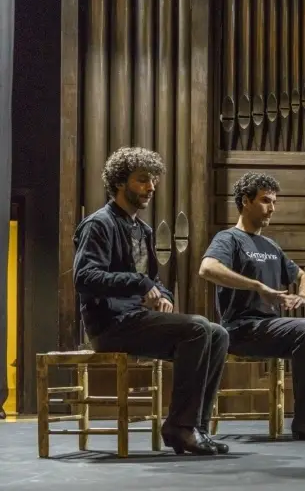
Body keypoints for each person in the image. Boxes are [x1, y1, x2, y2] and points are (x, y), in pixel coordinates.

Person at [73, 147, 227, 456]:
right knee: (197, 328)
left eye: (153, 180)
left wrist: (165, 296)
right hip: (110, 325)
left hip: (137, 321)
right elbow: (85, 278)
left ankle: (196, 427)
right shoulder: (98, 224)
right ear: (120, 183)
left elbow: (153, 280)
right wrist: (138, 283)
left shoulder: (142, 230)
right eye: (143, 180)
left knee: (218, 334)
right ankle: (180, 428)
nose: (151, 187)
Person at [198, 172, 305, 441]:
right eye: (266, 200)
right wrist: (257, 286)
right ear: (246, 201)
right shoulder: (228, 239)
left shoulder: (270, 246)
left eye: (274, 202)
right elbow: (207, 268)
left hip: (271, 328)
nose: (272, 208)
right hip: (241, 329)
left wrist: (302, 294)